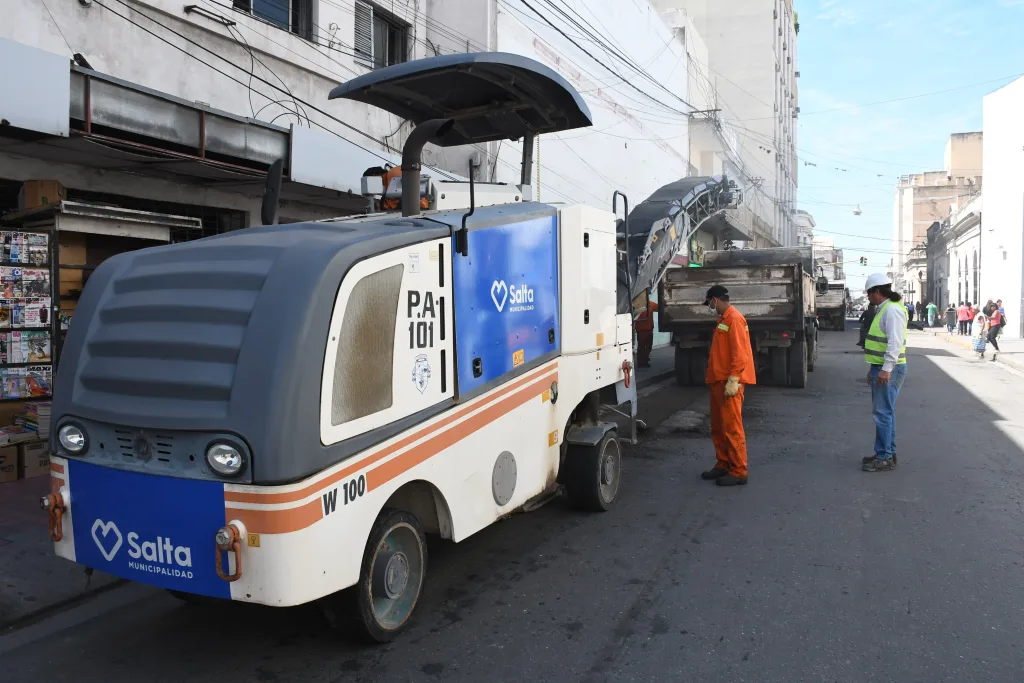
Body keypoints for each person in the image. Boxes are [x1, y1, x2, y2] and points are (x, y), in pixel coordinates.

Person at [700, 285, 756, 487]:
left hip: (729, 383)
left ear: (715, 299)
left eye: (709, 303)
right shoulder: (724, 319)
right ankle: (724, 463)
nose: (710, 307)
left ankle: (739, 471)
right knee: (719, 426)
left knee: (732, 427)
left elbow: (739, 354)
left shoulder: (734, 319)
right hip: (719, 381)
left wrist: (733, 380)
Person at [861, 273, 908, 473]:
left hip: (890, 368)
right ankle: (887, 452)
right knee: (886, 413)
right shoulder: (887, 309)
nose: (868, 298)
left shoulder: (891, 311)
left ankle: (884, 456)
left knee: (882, 413)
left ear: (877, 292)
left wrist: (886, 369)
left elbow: (894, 343)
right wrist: (874, 368)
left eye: (869, 294)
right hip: (881, 367)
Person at [634, 297, 658, 367]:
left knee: (648, 346)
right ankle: (641, 362)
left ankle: (645, 359)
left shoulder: (651, 304)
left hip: (649, 329)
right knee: (642, 347)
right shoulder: (637, 305)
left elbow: (660, 308)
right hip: (641, 330)